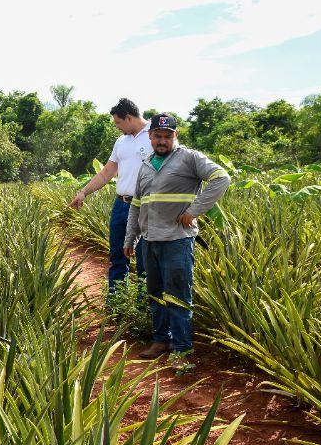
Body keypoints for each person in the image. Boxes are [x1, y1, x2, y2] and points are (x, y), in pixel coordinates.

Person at [123, 113, 230, 367]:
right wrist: (130, 238)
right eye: (158, 136)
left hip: (177, 239)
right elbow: (137, 205)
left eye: (167, 136)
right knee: (155, 293)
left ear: (175, 136)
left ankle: (182, 349)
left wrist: (194, 210)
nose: (162, 140)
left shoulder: (189, 158)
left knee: (178, 294)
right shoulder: (146, 165)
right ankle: (161, 340)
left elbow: (221, 178)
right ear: (150, 137)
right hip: (149, 239)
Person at [70, 98, 150, 293]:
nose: (117, 127)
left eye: (118, 123)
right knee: (117, 256)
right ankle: (116, 304)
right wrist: (83, 192)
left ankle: (141, 309)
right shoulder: (121, 141)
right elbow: (107, 172)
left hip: (146, 207)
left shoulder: (155, 135)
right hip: (121, 205)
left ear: (129, 118)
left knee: (144, 261)